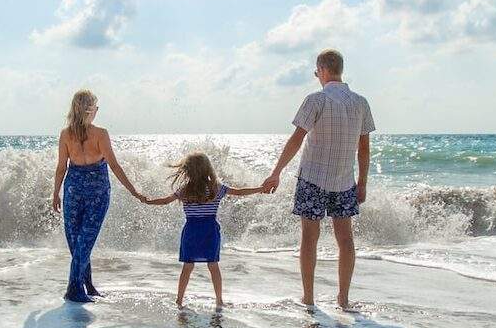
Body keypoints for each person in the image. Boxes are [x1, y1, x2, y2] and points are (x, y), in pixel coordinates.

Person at [262, 49, 375, 309]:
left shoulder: (316, 100)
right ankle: (343, 299)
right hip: (345, 181)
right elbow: (364, 150)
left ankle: (309, 298)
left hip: (312, 178)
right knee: (345, 240)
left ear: (322, 70)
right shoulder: (361, 102)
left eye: (316, 72)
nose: (317, 76)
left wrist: (276, 172)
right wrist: (363, 182)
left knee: (309, 239)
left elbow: (296, 139)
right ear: (340, 69)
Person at [52, 90, 145, 303]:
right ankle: (74, 289)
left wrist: (56, 193)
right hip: (95, 191)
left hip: (74, 189)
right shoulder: (100, 134)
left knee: (80, 242)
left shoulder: (66, 134)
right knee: (81, 242)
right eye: (96, 106)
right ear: (90, 110)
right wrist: (134, 190)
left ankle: (87, 285)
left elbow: (61, 168)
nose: (97, 110)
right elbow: (113, 165)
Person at [146, 152, 264, 308]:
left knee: (187, 267)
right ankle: (219, 300)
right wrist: (260, 189)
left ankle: (179, 300)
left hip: (191, 231)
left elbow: (165, 201)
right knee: (213, 266)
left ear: (188, 170)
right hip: (209, 231)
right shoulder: (216, 188)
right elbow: (240, 192)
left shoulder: (184, 190)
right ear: (208, 169)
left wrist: (146, 200)